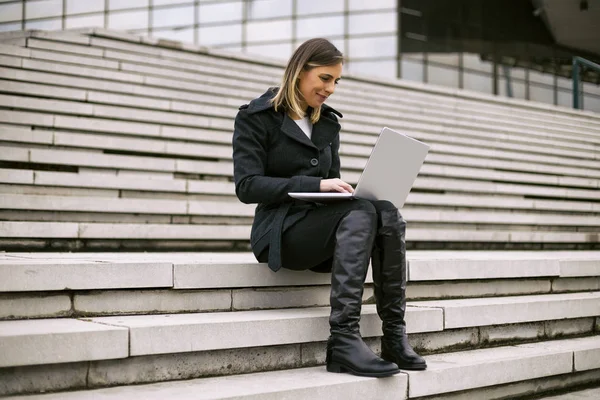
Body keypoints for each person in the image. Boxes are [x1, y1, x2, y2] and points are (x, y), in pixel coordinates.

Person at [232, 38, 426, 377]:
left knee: (387, 211)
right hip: (279, 232)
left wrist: (347, 191)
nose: (331, 88)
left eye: (336, 81)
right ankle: (343, 341)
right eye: (325, 78)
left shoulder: (328, 123)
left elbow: (330, 186)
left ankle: (394, 333)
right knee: (364, 212)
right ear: (299, 71)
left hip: (319, 228)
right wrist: (314, 185)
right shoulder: (256, 117)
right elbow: (247, 186)